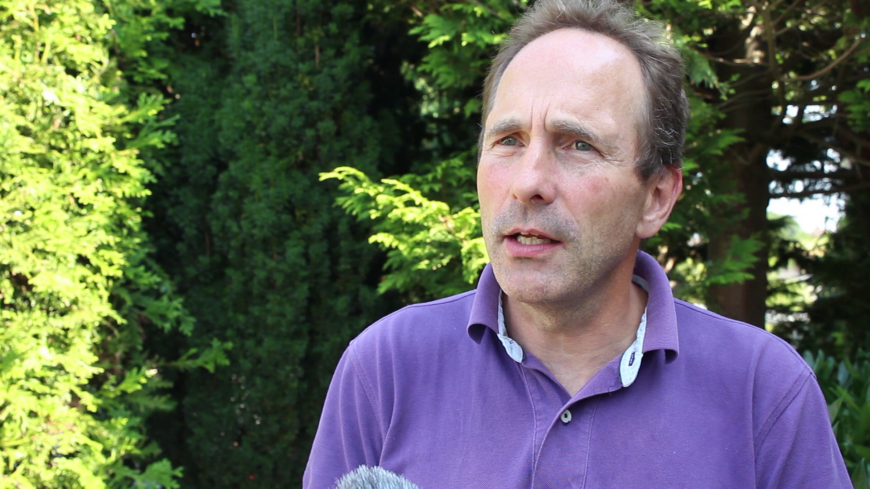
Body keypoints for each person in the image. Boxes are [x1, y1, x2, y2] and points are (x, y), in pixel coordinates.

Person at [304, 0, 850, 487]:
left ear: (656, 197)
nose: (528, 182)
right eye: (508, 140)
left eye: (578, 145)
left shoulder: (763, 393)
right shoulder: (385, 370)